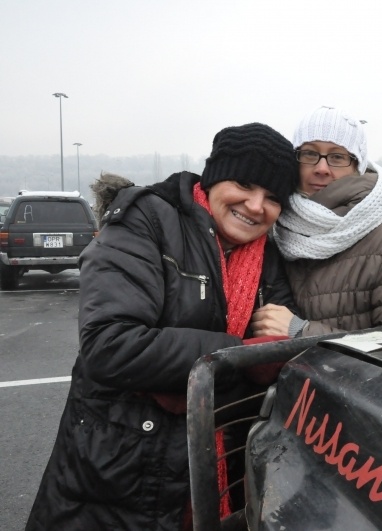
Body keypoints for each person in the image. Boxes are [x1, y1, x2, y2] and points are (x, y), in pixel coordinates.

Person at [26, 123, 299, 530]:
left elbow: (280, 359)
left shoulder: (268, 255)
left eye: (273, 198)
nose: (257, 206)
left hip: (219, 469)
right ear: (213, 177)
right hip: (120, 469)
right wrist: (235, 355)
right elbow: (109, 344)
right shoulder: (146, 219)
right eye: (244, 183)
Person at [252, 106, 382, 337]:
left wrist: (301, 332)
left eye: (337, 157)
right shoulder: (270, 227)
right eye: (310, 154)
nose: (322, 168)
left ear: (357, 167)